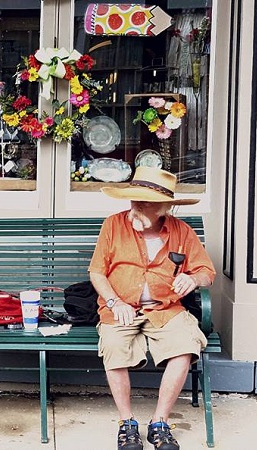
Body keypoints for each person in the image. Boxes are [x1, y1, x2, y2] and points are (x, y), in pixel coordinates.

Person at [88, 167, 216, 450]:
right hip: (120, 307)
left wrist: (193, 278)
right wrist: (114, 301)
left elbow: (207, 272)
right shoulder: (113, 225)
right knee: (113, 347)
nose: (134, 208)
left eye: (143, 203)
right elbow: (97, 273)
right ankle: (127, 423)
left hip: (166, 309)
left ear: (164, 208)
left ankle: (160, 422)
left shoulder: (182, 232)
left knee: (186, 346)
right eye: (133, 200)